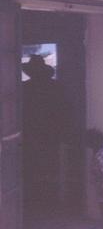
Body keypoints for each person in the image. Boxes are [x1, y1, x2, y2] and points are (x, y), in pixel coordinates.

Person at [22, 54, 69, 217]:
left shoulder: (24, 88)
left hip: (34, 134)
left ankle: (38, 201)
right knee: (47, 168)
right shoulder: (56, 87)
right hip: (48, 134)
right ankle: (47, 202)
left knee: (33, 168)